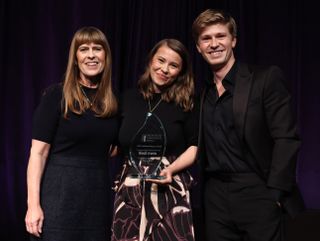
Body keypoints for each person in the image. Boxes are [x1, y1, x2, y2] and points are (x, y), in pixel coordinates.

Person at [192, 9, 305, 241]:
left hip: (257, 190)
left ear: (233, 40)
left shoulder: (265, 78)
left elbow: (286, 138)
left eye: (220, 36)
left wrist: (274, 193)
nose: (214, 44)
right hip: (215, 197)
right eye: (206, 38)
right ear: (198, 47)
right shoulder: (202, 93)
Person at [24, 26, 118, 241]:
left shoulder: (113, 101)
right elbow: (38, 154)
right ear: (75, 58)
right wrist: (33, 206)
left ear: (106, 56)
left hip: (96, 198)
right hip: (58, 197)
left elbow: (115, 147)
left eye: (98, 49)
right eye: (84, 49)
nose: (91, 55)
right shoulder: (55, 96)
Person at [111, 39, 198, 241]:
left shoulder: (187, 104)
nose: (165, 69)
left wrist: (171, 169)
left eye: (173, 65)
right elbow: (115, 145)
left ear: (181, 72)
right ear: (151, 60)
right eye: (161, 60)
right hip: (130, 189)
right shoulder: (128, 98)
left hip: (170, 189)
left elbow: (195, 147)